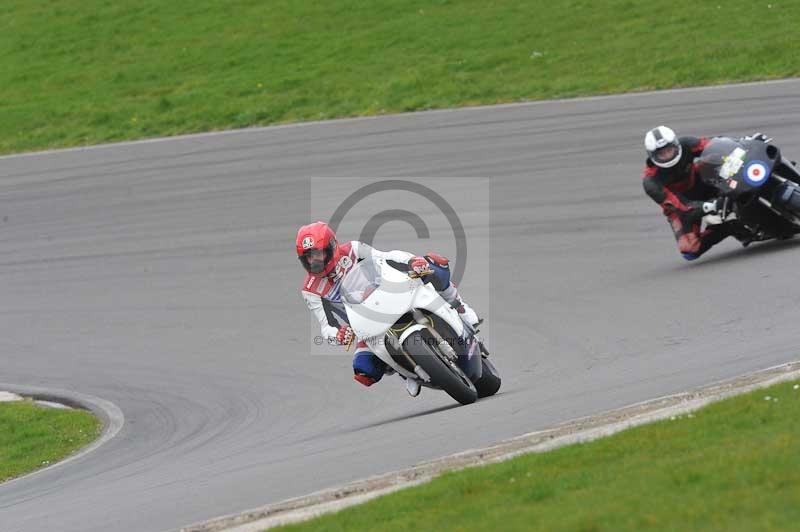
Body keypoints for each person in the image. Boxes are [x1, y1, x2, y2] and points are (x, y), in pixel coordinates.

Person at [296, 221, 479, 396]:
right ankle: (405, 371)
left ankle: (461, 309)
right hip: (366, 323)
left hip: (388, 292)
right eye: (308, 257)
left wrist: (412, 261)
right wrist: (338, 335)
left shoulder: (353, 249)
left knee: (435, 265)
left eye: (318, 254)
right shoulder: (310, 290)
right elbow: (326, 326)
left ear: (332, 246)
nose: (314, 261)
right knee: (364, 370)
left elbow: (387, 256)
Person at [642, 125, 733, 260]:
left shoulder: (687, 144)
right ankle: (728, 227)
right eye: (661, 153)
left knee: (713, 159)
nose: (667, 155)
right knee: (690, 249)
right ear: (652, 156)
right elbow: (682, 208)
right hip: (681, 205)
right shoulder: (651, 182)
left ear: (676, 145)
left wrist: (746, 143)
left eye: (669, 150)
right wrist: (712, 205)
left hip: (701, 181)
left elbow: (717, 145)